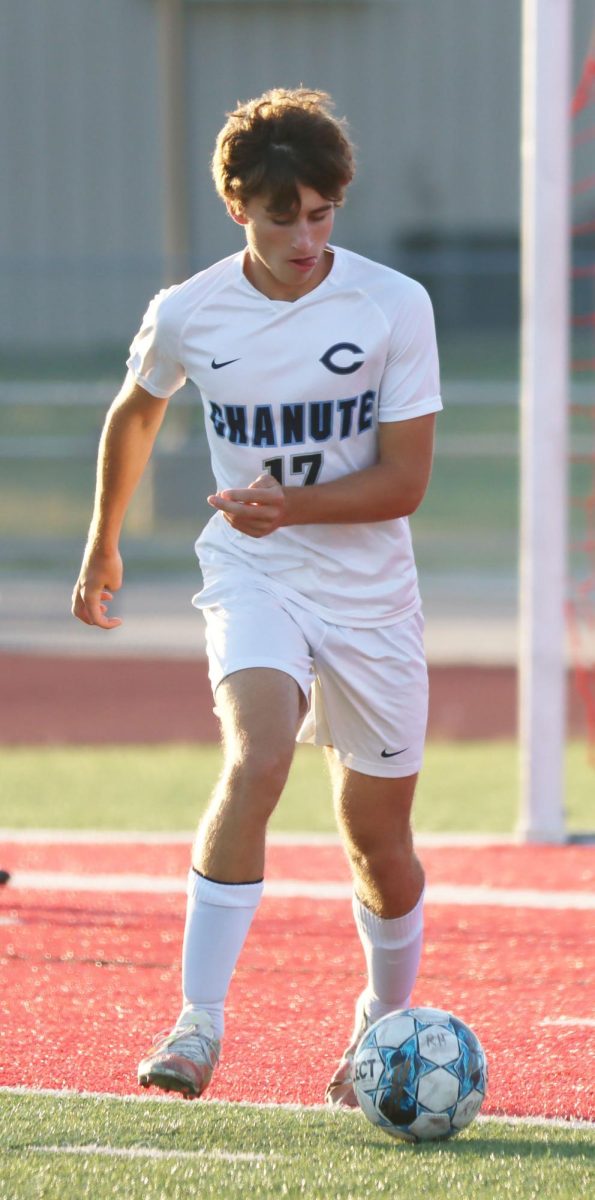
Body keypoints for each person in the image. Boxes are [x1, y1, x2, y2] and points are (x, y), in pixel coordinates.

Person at [71, 88, 442, 1107]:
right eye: (284, 217)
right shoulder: (189, 310)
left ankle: (378, 1024)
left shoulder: (392, 304)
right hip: (253, 570)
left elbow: (405, 482)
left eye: (322, 214)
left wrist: (295, 505)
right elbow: (135, 412)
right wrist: (104, 543)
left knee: (380, 845)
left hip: (370, 595)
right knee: (259, 754)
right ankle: (197, 1024)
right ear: (239, 204)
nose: (306, 238)